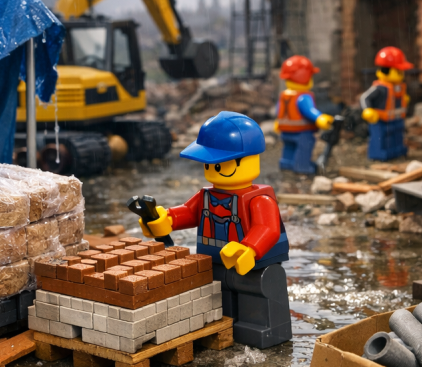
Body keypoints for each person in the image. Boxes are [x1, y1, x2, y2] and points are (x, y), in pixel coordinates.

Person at [139, 112, 292, 348]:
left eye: (219, 163)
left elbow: (267, 228)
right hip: (215, 264)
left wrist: (249, 248)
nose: (214, 169)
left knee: (259, 297)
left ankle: (263, 330)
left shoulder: (259, 199)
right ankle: (222, 327)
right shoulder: (207, 195)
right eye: (210, 164)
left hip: (252, 266)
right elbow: (189, 212)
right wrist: (165, 218)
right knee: (219, 298)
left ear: (248, 159)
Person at [276, 55, 333, 175]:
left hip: (285, 131)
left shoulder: (285, 95)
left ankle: (286, 164)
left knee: (289, 148)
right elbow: (309, 110)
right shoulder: (303, 96)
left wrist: (277, 123)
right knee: (304, 148)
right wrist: (320, 118)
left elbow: (279, 111)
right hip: (302, 132)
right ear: (305, 77)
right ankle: (302, 167)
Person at [360, 46, 412, 160]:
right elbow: (365, 97)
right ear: (386, 70)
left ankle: (396, 151)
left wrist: (405, 100)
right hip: (380, 120)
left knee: (397, 136)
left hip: (396, 119)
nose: (401, 74)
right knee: (380, 137)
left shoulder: (398, 87)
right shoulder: (380, 88)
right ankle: (378, 154)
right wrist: (367, 109)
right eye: (398, 71)